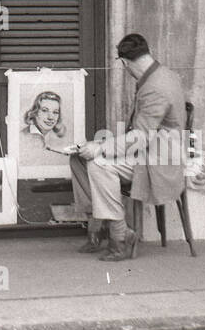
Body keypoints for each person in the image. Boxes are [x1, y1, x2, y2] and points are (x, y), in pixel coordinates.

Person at [62, 32, 187, 261]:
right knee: (79, 158)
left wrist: (100, 148)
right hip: (151, 149)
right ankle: (97, 227)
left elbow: (140, 136)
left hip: (159, 159)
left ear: (124, 62)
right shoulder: (162, 75)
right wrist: (101, 144)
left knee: (99, 164)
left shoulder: (155, 87)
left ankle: (120, 236)